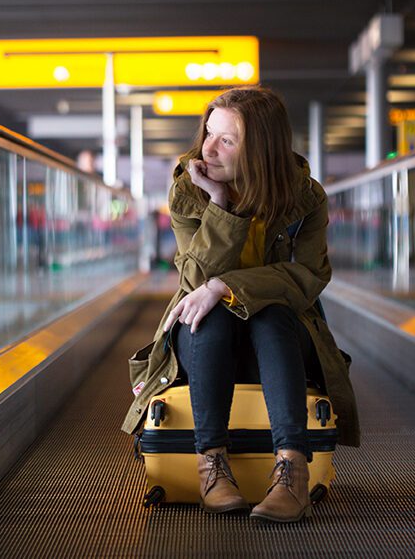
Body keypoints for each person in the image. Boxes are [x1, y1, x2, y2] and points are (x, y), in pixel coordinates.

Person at [121, 86, 360, 522]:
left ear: (261, 149)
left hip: (280, 342)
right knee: (208, 317)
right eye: (209, 133)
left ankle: (291, 471)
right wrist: (218, 205)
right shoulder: (188, 191)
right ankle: (211, 465)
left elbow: (306, 279)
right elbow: (193, 281)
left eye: (226, 140)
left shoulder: (305, 199)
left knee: (269, 314)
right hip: (207, 340)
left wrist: (224, 287)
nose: (208, 148)